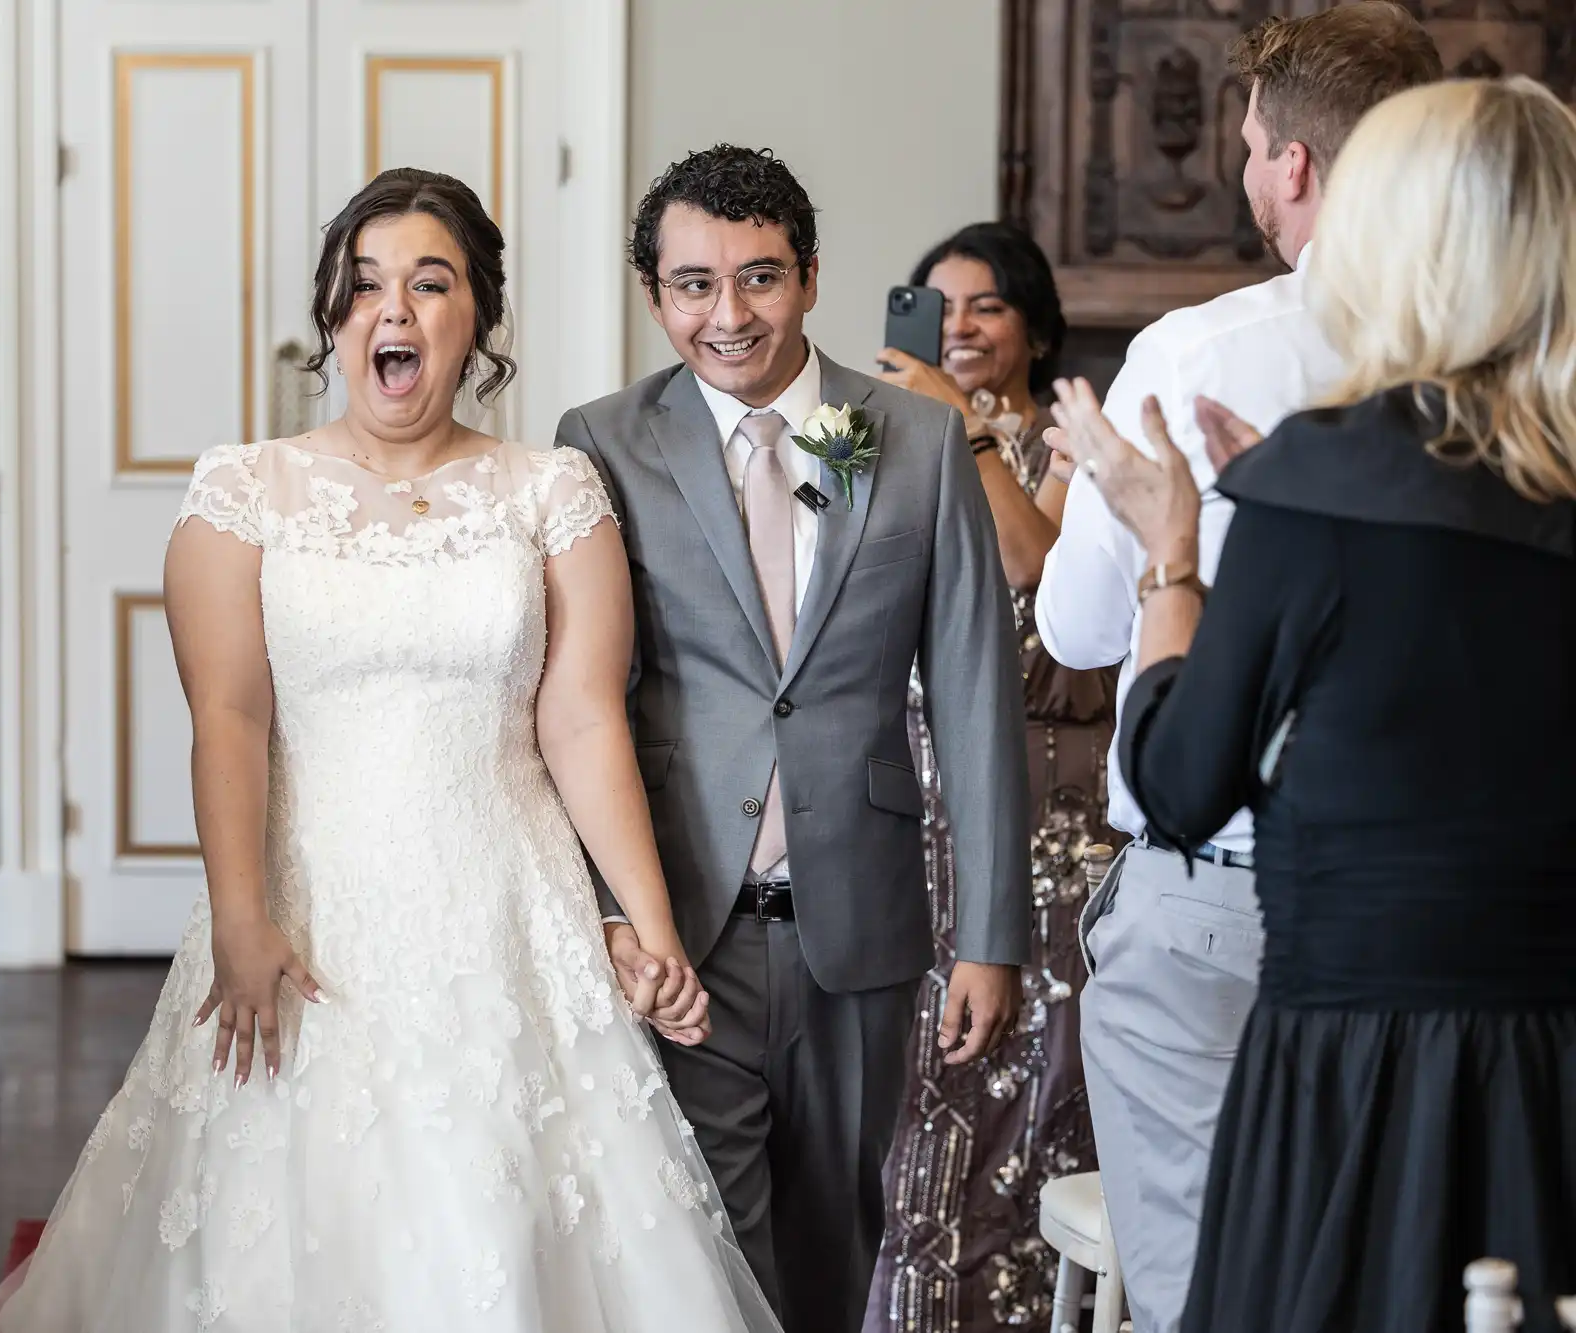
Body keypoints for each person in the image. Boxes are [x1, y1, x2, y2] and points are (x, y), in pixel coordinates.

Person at [0, 167, 780, 1331]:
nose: (391, 310)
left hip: (506, 909)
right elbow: (229, 720)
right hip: (308, 913)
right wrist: (242, 919)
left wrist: (649, 926)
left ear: (476, 323)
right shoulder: (241, 492)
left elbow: (582, 717)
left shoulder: (551, 491)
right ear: (334, 321)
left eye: (429, 283)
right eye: (363, 287)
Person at [1051, 73, 1576, 1333]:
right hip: (1547, 1057)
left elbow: (1179, 784)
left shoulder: (1324, 474)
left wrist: (1179, 554)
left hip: (1348, 1050)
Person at [558, 145, 1031, 1333]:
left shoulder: (906, 440)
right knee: (707, 1243)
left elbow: (973, 686)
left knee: (835, 1246)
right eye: (693, 284)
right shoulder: (606, 441)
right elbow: (578, 699)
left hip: (858, 921)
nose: (729, 315)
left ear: (810, 278)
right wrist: (604, 910)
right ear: (654, 295)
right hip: (686, 917)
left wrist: (989, 934)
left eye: (759, 278)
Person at [1030, 8, 1441, 1328]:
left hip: (1219, 904)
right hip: (1444, 903)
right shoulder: (1523, 363)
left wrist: (1157, 550)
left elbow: (1079, 635)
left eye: (1252, 143)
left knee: (1208, 1300)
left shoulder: (1193, 359)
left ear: (1295, 166)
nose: (1248, 170)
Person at [862, 223, 1111, 1333]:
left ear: (1032, 328)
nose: (956, 328)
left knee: (1036, 1084)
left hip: (1040, 818)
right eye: (937, 307)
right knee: (920, 1097)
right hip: (909, 808)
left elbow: (1038, 570)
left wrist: (964, 434)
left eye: (985, 308)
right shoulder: (882, 437)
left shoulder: (1067, 441)